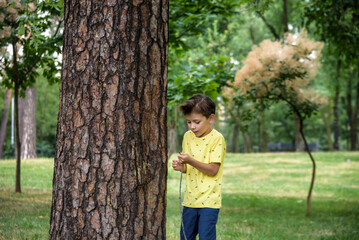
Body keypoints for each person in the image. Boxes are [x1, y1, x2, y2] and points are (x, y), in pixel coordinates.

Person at [172, 94, 226, 240]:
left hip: (209, 201)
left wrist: (190, 161)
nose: (192, 126)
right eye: (189, 122)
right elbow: (189, 168)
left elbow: (213, 170)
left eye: (196, 122)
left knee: (205, 238)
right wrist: (181, 167)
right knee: (185, 237)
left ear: (210, 118)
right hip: (190, 200)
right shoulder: (187, 137)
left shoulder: (217, 139)